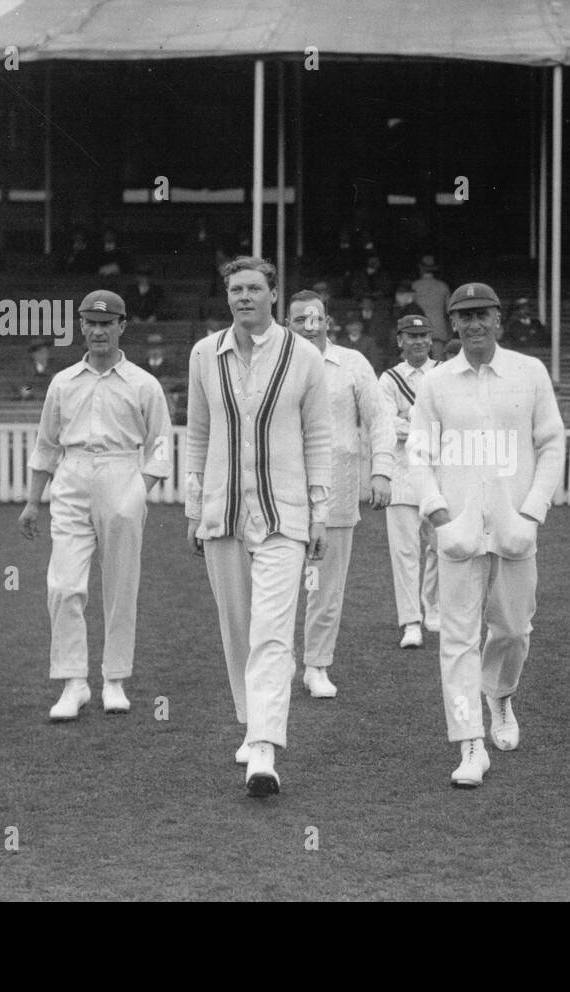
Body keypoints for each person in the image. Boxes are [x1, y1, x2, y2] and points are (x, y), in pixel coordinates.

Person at [185, 257, 332, 797]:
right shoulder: (206, 353)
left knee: (272, 631)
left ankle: (264, 749)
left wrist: (319, 513)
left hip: (284, 514)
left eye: (254, 288)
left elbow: (319, 437)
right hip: (223, 511)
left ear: (274, 294)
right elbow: (197, 435)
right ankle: (252, 723)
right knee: (237, 627)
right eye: (234, 290)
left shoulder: (303, 355)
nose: (243, 297)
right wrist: (193, 508)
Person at [409, 282, 564, 788]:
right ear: (452, 325)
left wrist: (532, 514)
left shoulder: (529, 373)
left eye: (483, 314)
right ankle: (469, 742)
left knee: (514, 629)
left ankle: (500, 695)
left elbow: (552, 445)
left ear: (499, 320)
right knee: (456, 639)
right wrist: (439, 517)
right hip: (457, 534)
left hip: (515, 528)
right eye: (465, 316)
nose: (474, 324)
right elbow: (419, 454)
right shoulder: (435, 384)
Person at [18, 290, 173, 722]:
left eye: (108, 323)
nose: (99, 331)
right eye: (92, 323)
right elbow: (46, 445)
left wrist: (137, 489)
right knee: (63, 584)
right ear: (81, 327)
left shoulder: (144, 384)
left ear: (123, 326)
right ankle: (73, 681)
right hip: (71, 477)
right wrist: (33, 501)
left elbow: (160, 447)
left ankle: (115, 679)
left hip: (123, 474)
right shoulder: (63, 382)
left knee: (121, 584)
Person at [287, 290, 395, 697]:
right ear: (288, 325)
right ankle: (280, 662)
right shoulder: (272, 364)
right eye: (300, 320)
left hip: (337, 492)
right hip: (281, 492)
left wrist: (382, 471)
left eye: (316, 319)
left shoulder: (353, 364)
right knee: (276, 585)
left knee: (324, 587)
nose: (309, 326)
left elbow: (379, 420)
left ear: (327, 321)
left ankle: (316, 665)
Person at [380, 314, 440, 648]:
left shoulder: (444, 373)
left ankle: (432, 605)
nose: (417, 341)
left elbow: (451, 421)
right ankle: (410, 621)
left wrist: (409, 421)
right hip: (401, 476)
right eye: (410, 336)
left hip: (438, 474)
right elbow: (387, 424)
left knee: (440, 547)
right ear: (400, 340)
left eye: (423, 336)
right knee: (404, 553)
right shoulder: (389, 379)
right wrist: (424, 427)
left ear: (431, 340)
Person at [411, 255, 451, 360]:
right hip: (438, 330)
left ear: (421, 268)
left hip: (418, 329)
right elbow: (449, 310)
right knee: (439, 365)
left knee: (418, 365)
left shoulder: (414, 286)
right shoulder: (443, 286)